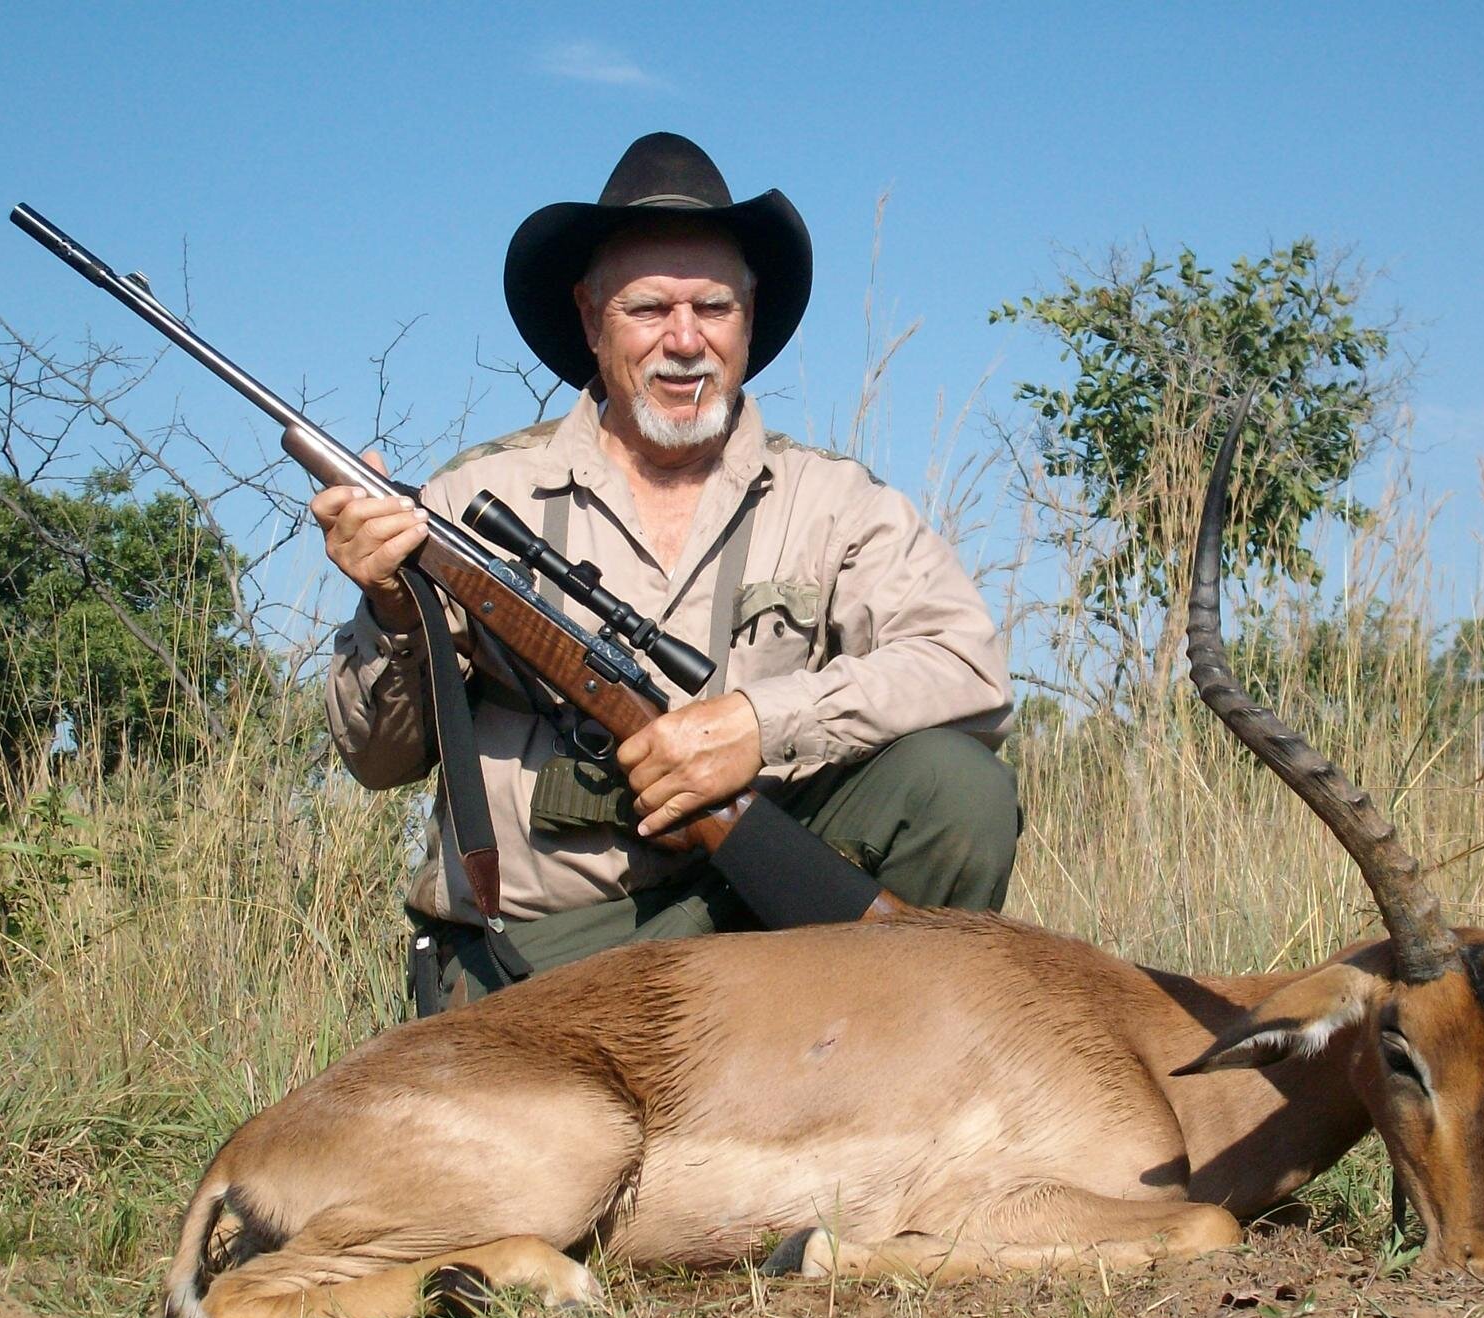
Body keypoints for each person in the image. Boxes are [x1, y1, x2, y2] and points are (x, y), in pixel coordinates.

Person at [312, 133, 1018, 1012]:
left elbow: (970, 669)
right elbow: (378, 762)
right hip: (542, 949)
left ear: (749, 320)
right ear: (589, 317)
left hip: (762, 919)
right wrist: (389, 608)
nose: (684, 341)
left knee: (959, 786)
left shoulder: (838, 502)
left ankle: (894, 1098)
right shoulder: (472, 499)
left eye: (712, 308)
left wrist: (762, 725)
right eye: (649, 310)